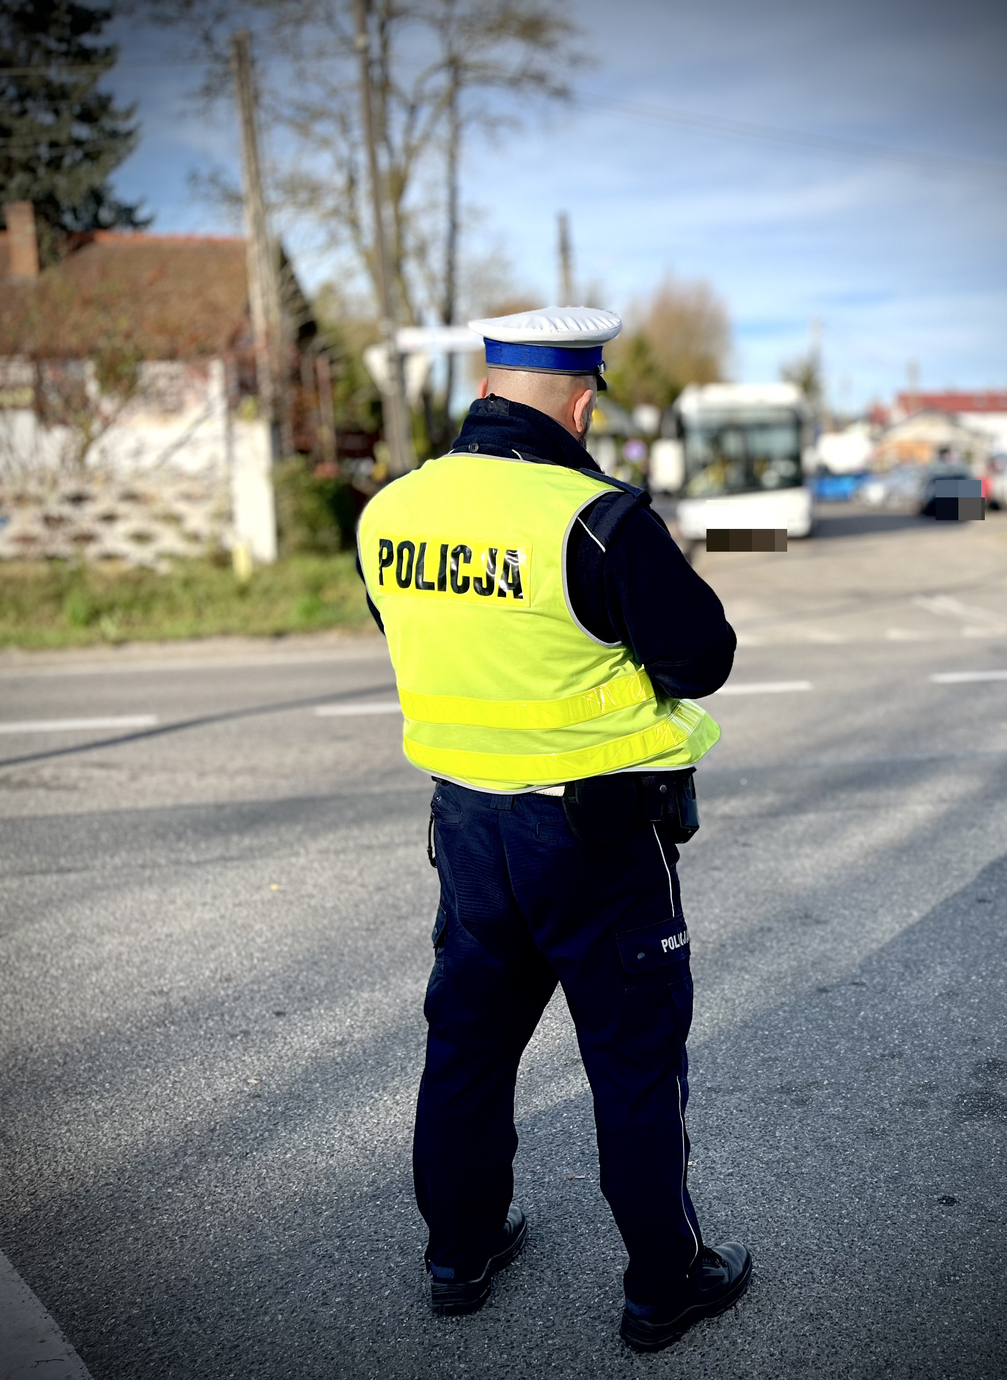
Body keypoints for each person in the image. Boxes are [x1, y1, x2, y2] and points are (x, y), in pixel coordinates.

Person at [355, 306, 750, 1352]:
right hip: (595, 841)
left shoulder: (391, 510)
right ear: (581, 398)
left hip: (469, 830)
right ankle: (667, 1282)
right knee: (632, 1058)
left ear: (488, 383)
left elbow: (420, 634)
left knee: (469, 1046)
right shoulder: (598, 520)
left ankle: (459, 1252)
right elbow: (701, 660)